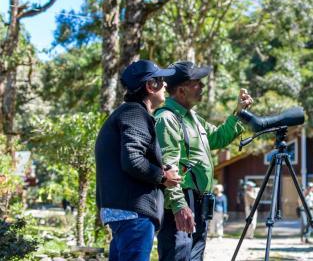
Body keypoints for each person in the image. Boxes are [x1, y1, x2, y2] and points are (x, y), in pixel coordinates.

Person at [155, 61, 253, 261]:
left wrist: (240, 113)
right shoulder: (167, 118)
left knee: (194, 256)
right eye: (197, 82)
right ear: (181, 90)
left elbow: (218, 137)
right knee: (178, 255)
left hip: (199, 202)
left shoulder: (193, 118)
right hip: (182, 201)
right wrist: (179, 206)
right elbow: (168, 167)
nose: (203, 86)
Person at [95, 60, 182, 261]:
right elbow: (133, 159)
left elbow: (130, 156)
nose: (166, 85)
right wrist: (163, 177)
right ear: (150, 86)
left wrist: (161, 167)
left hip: (124, 213)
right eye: (161, 80)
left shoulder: (126, 113)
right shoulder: (135, 113)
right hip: (134, 214)